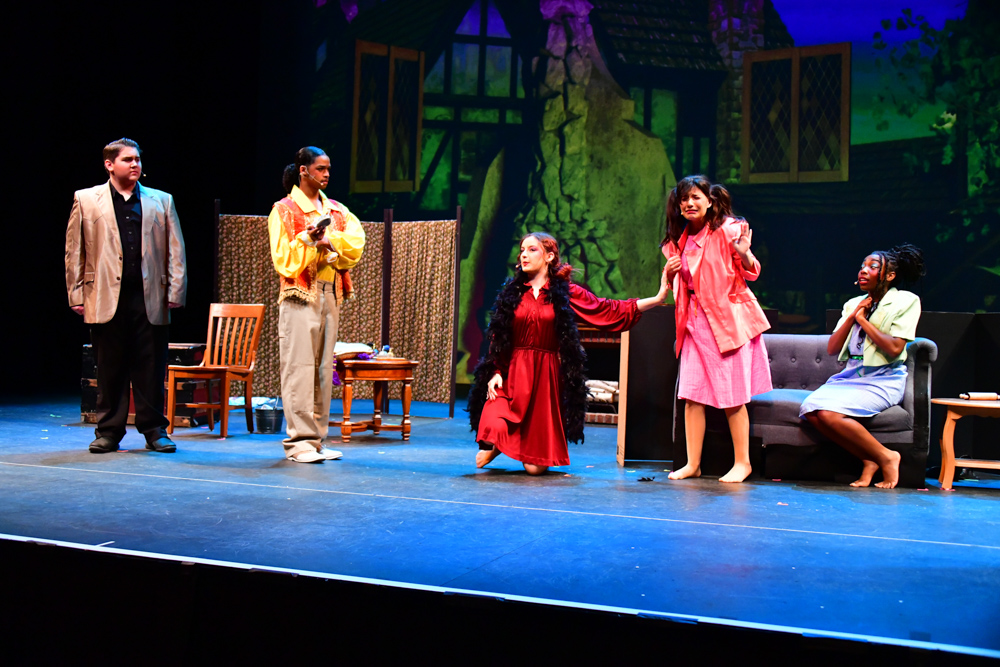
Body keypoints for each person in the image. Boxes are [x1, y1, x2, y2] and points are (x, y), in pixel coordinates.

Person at [468, 232, 668, 475]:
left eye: (532, 250)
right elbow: (499, 335)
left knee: (535, 470)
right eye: (522, 250)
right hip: (514, 372)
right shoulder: (513, 292)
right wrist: (496, 371)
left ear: (549, 256)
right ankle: (498, 445)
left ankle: (506, 446)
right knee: (493, 424)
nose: (524, 255)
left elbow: (607, 309)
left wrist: (657, 298)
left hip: (544, 376)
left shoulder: (565, 293)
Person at [65, 138, 187, 454]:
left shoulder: (161, 200)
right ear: (109, 164)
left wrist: (176, 288)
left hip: (149, 295)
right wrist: (75, 293)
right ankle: (108, 432)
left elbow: (175, 248)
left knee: (151, 367)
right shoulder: (86, 199)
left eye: (137, 160)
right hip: (104, 295)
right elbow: (75, 250)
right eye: (127, 160)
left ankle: (155, 430)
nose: (135, 165)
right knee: (110, 369)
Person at [661, 175, 771, 483]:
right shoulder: (677, 241)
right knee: (692, 394)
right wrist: (670, 274)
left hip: (726, 321)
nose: (689, 203)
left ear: (710, 202)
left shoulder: (727, 230)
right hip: (693, 321)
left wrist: (744, 252)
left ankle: (743, 463)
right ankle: (692, 463)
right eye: (684, 199)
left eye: (696, 197)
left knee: (732, 395)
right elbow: (682, 285)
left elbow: (752, 270)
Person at [268, 146, 365, 463]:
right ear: (303, 171)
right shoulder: (284, 210)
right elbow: (284, 259)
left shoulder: (337, 210)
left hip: (330, 292)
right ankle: (299, 443)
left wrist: (329, 240)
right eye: (320, 168)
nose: (326, 174)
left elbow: (356, 244)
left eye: (328, 168)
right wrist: (309, 239)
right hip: (300, 295)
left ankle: (316, 440)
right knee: (299, 368)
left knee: (324, 370)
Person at [800, 244, 925, 489]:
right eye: (862, 266)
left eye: (873, 267)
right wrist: (852, 316)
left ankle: (887, 456)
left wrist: (862, 321)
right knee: (811, 411)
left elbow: (895, 348)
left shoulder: (905, 301)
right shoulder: (853, 304)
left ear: (890, 275)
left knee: (828, 413)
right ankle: (868, 459)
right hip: (851, 376)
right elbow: (832, 348)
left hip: (883, 378)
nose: (863, 271)